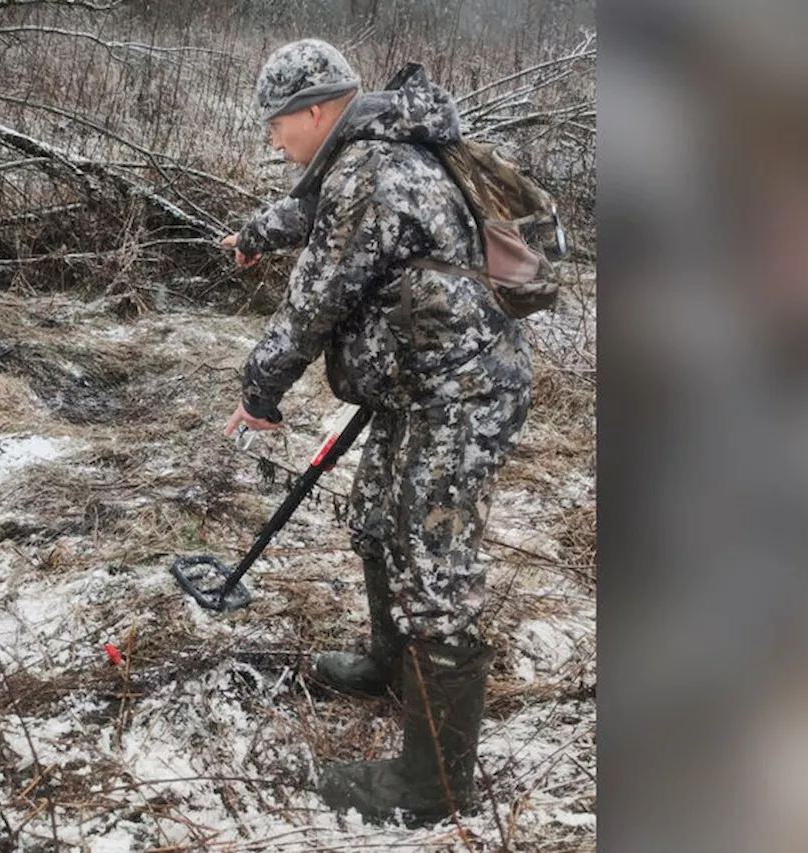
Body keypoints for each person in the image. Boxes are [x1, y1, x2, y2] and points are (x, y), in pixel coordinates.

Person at [219, 39, 533, 826]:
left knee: (434, 562)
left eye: (276, 124)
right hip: (416, 386)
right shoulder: (367, 154)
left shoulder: (368, 170)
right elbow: (310, 210)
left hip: (458, 394)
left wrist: (260, 388)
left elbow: (310, 305)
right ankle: (393, 664)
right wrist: (257, 231)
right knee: (376, 519)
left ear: (316, 110)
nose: (272, 139)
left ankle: (434, 784)